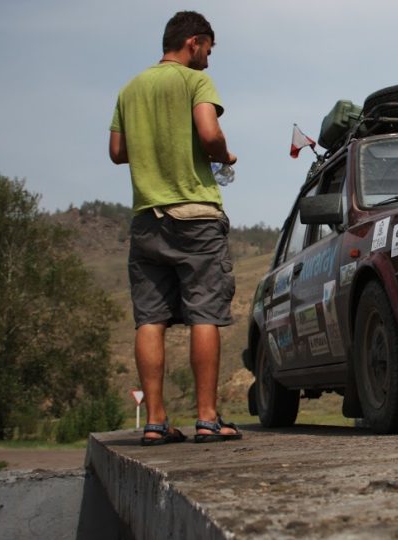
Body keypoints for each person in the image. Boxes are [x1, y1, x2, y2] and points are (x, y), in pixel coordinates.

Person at [109, 11, 241, 445]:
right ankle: (207, 418)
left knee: (150, 319)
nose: (208, 58)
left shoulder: (130, 88)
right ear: (193, 43)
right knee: (205, 314)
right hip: (195, 217)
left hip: (147, 219)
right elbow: (208, 132)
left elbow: (117, 151)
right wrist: (225, 154)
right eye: (208, 49)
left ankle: (155, 422)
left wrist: (153, 144)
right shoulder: (193, 82)